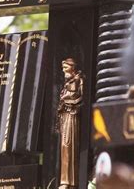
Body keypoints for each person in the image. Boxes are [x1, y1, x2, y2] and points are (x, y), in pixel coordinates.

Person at [57, 58, 84, 189]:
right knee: (64, 148)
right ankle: (64, 180)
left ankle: (70, 182)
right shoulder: (67, 83)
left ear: (72, 68)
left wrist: (68, 101)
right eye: (63, 68)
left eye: (65, 67)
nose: (63, 70)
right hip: (65, 116)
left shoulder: (78, 81)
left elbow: (80, 98)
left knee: (69, 146)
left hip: (72, 116)